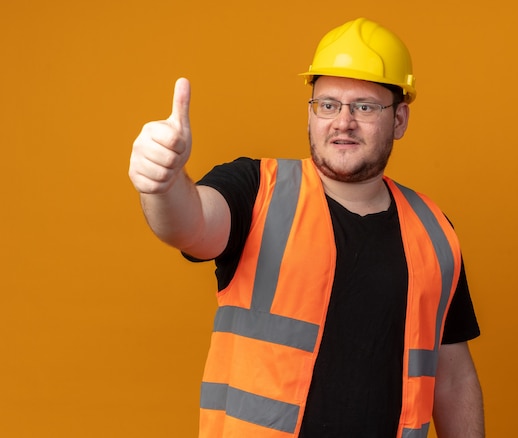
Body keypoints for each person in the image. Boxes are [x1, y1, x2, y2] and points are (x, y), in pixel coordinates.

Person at [129, 17, 484, 438]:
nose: (343, 122)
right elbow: (189, 225)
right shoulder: (257, 189)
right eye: (328, 104)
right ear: (311, 112)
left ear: (400, 120)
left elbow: (453, 375)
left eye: (365, 107)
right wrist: (163, 185)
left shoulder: (434, 231)